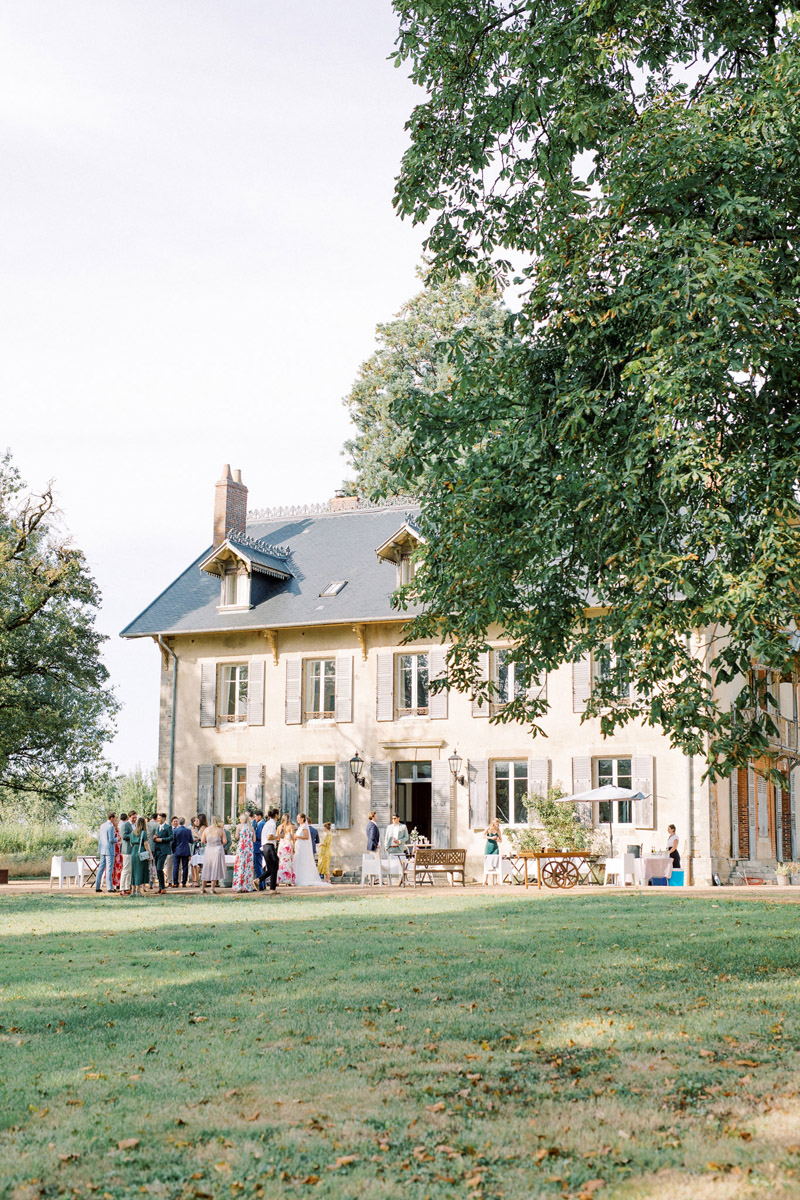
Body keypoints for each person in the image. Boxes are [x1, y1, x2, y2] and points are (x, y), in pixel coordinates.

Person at [293, 813, 331, 887]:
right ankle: (297, 877)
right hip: (298, 845)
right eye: (297, 818)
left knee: (303, 860)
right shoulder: (300, 827)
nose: (297, 819)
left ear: (303, 819)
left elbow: (307, 837)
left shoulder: (304, 826)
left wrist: (297, 836)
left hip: (302, 845)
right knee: (298, 860)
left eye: (299, 818)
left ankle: (304, 878)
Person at [201, 816, 228, 895]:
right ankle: (212, 888)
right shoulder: (220, 830)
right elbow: (225, 841)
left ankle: (202, 888)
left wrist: (209, 842)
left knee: (206, 867)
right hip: (217, 849)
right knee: (215, 868)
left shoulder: (207, 829)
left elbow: (202, 841)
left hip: (209, 849)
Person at [232, 811, 255, 893]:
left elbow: (236, 837)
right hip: (249, 849)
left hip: (242, 848)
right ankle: (248, 885)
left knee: (240, 866)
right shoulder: (251, 827)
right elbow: (254, 840)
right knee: (248, 866)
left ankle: (239, 885)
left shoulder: (239, 826)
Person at [260, 806, 280, 894]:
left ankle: (259, 880)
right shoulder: (272, 824)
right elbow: (270, 836)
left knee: (272, 867)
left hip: (265, 846)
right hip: (269, 846)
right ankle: (272, 888)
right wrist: (279, 836)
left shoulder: (267, 823)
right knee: (274, 866)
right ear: (276, 815)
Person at [95, 813, 117, 894]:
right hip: (109, 850)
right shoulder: (110, 826)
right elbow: (111, 839)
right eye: (115, 818)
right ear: (111, 818)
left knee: (101, 868)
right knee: (109, 868)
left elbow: (100, 837)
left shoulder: (102, 825)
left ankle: (97, 886)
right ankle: (109, 887)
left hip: (102, 849)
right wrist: (116, 839)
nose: (115, 819)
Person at [153, 812, 174, 894]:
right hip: (157, 850)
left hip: (164, 850)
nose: (158, 819)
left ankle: (163, 888)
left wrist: (162, 839)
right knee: (158, 870)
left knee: (159, 868)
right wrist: (154, 838)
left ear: (164, 818)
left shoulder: (168, 827)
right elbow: (156, 836)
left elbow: (171, 837)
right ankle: (160, 887)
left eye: (160, 818)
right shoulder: (157, 827)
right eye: (158, 818)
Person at [130, 817, 151, 898]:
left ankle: (133, 891)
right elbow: (145, 844)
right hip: (141, 851)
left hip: (134, 852)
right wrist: (149, 854)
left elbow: (131, 844)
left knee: (134, 872)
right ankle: (138, 891)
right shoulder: (143, 833)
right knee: (139, 871)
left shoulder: (132, 832)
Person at [172, 817, 193, 888]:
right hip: (185, 850)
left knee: (176, 867)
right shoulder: (188, 831)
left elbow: (173, 842)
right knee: (185, 867)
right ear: (184, 822)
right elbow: (191, 841)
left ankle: (175, 882)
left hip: (177, 850)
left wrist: (173, 849)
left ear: (178, 822)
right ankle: (184, 882)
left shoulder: (175, 831)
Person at [119, 812, 134, 895]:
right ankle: (122, 888)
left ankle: (127, 887)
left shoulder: (134, 825)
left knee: (130, 870)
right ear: (129, 817)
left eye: (135, 818)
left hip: (132, 850)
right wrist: (134, 834)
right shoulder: (125, 825)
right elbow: (124, 836)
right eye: (133, 818)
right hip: (126, 850)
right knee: (126, 869)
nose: (135, 819)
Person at [483, 820, 502, 886]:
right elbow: (483, 836)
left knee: (496, 862)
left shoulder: (498, 831)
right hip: (489, 847)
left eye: (498, 825)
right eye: (496, 824)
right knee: (487, 862)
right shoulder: (488, 829)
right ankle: (486, 880)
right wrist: (491, 837)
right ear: (493, 824)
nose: (497, 826)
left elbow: (501, 840)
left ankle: (496, 881)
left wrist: (497, 839)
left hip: (495, 847)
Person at [190, 815, 207, 886]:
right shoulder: (196, 828)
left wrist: (196, 835)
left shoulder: (203, 828)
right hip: (195, 846)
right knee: (193, 863)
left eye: (197, 820)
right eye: (195, 821)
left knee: (196, 864)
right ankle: (195, 880)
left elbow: (203, 838)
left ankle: (196, 880)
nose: (196, 822)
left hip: (200, 847)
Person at [277, 821, 295, 887]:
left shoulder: (279, 827)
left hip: (281, 846)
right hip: (287, 845)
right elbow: (293, 838)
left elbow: (277, 838)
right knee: (288, 863)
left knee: (280, 863)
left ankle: (278, 880)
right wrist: (294, 847)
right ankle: (288, 881)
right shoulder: (290, 827)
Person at [111, 815, 123, 892]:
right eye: (116, 820)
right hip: (114, 850)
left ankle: (118, 883)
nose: (117, 822)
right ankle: (113, 884)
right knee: (113, 868)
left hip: (119, 850)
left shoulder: (118, 830)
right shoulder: (111, 829)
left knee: (119, 867)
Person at [252, 810, 265, 883]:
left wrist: (252, 834)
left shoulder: (261, 824)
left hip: (258, 846)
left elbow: (259, 835)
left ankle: (260, 884)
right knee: (257, 866)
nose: (255, 818)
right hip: (256, 847)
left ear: (260, 816)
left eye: (256, 817)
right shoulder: (259, 824)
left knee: (258, 866)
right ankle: (260, 884)